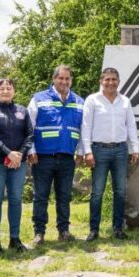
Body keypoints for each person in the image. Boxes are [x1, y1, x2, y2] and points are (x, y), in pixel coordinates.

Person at [28, 64, 84, 245]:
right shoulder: (39, 99)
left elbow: (84, 129)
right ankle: (39, 233)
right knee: (41, 196)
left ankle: (64, 230)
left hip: (67, 157)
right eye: (61, 78)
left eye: (68, 79)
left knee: (64, 196)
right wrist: (31, 150)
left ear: (71, 81)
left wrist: (81, 152)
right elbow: (29, 127)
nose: (64, 82)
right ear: (54, 79)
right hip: (43, 157)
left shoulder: (79, 102)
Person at [81, 67, 139, 241]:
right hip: (99, 151)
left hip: (121, 150)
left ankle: (117, 229)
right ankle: (94, 230)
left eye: (114, 79)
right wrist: (87, 151)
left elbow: (131, 126)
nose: (110, 82)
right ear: (101, 81)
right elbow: (86, 126)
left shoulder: (125, 101)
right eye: (107, 79)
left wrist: (134, 148)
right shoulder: (92, 100)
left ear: (118, 82)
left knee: (120, 191)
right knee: (97, 192)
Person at [0, 78, 33, 255]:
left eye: (9, 88)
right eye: (1, 88)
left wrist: (19, 155)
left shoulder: (22, 111)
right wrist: (7, 152)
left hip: (18, 162)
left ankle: (14, 239)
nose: (5, 91)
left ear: (14, 91)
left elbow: (30, 135)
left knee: (16, 199)